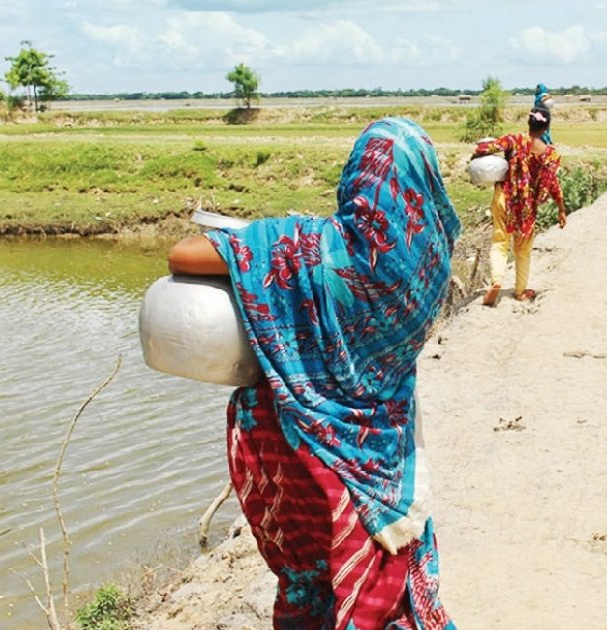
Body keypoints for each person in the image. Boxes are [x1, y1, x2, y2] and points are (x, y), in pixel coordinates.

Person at [167, 118, 458, 630]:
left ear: (358, 177)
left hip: (310, 453)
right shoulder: (430, 261)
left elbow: (184, 255)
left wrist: (263, 234)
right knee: (375, 581)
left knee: (311, 582)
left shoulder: (312, 247)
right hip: (385, 453)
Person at [474, 106, 567, 306]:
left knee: (500, 242)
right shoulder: (551, 155)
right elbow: (553, 185)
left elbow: (484, 149)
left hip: (504, 198)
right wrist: (561, 209)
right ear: (547, 127)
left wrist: (477, 156)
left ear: (529, 123)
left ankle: (497, 281)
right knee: (522, 251)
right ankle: (520, 291)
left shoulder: (514, 140)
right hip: (527, 208)